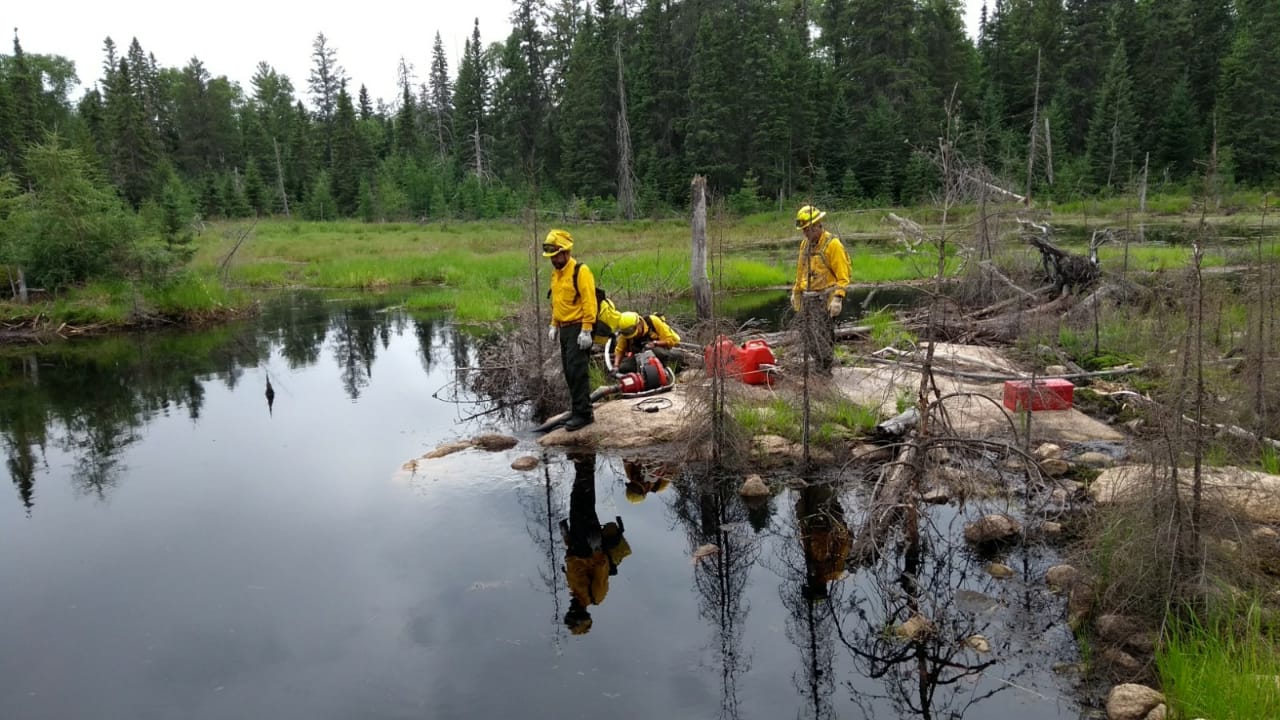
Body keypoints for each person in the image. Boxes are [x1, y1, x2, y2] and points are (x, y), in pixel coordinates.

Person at [561, 451, 631, 635]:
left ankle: (583, 461)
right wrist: (597, 548)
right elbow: (601, 570)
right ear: (581, 614)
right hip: (590, 544)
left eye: (569, 613)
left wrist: (567, 539)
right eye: (573, 613)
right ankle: (586, 460)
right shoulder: (595, 596)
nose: (570, 609)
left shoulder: (575, 592)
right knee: (583, 501)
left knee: (577, 501)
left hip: (577, 543)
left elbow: (572, 563)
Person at [544, 229, 598, 431]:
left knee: (578, 372)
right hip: (564, 330)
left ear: (566, 252)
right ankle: (577, 411)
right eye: (551, 256)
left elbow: (589, 302)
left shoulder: (580, 271)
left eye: (556, 255)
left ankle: (584, 414)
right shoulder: (556, 274)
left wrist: (586, 329)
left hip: (578, 328)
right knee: (569, 372)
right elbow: (557, 303)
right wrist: (554, 324)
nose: (553, 260)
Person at [790, 205, 851, 373]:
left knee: (823, 336)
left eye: (807, 229)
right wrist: (796, 292)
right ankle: (818, 364)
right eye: (803, 230)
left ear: (817, 225)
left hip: (826, 298)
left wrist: (838, 298)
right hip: (808, 298)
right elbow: (800, 270)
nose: (805, 233)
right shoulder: (804, 245)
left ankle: (825, 370)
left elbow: (843, 276)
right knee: (806, 333)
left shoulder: (833, 245)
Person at [613, 311, 681, 374]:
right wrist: (616, 366)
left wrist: (656, 343)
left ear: (639, 323)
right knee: (624, 368)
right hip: (640, 359)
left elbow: (673, 339)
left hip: (659, 354)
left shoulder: (652, 321)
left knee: (656, 352)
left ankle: (669, 370)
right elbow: (619, 350)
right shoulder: (625, 334)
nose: (633, 336)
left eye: (631, 332)